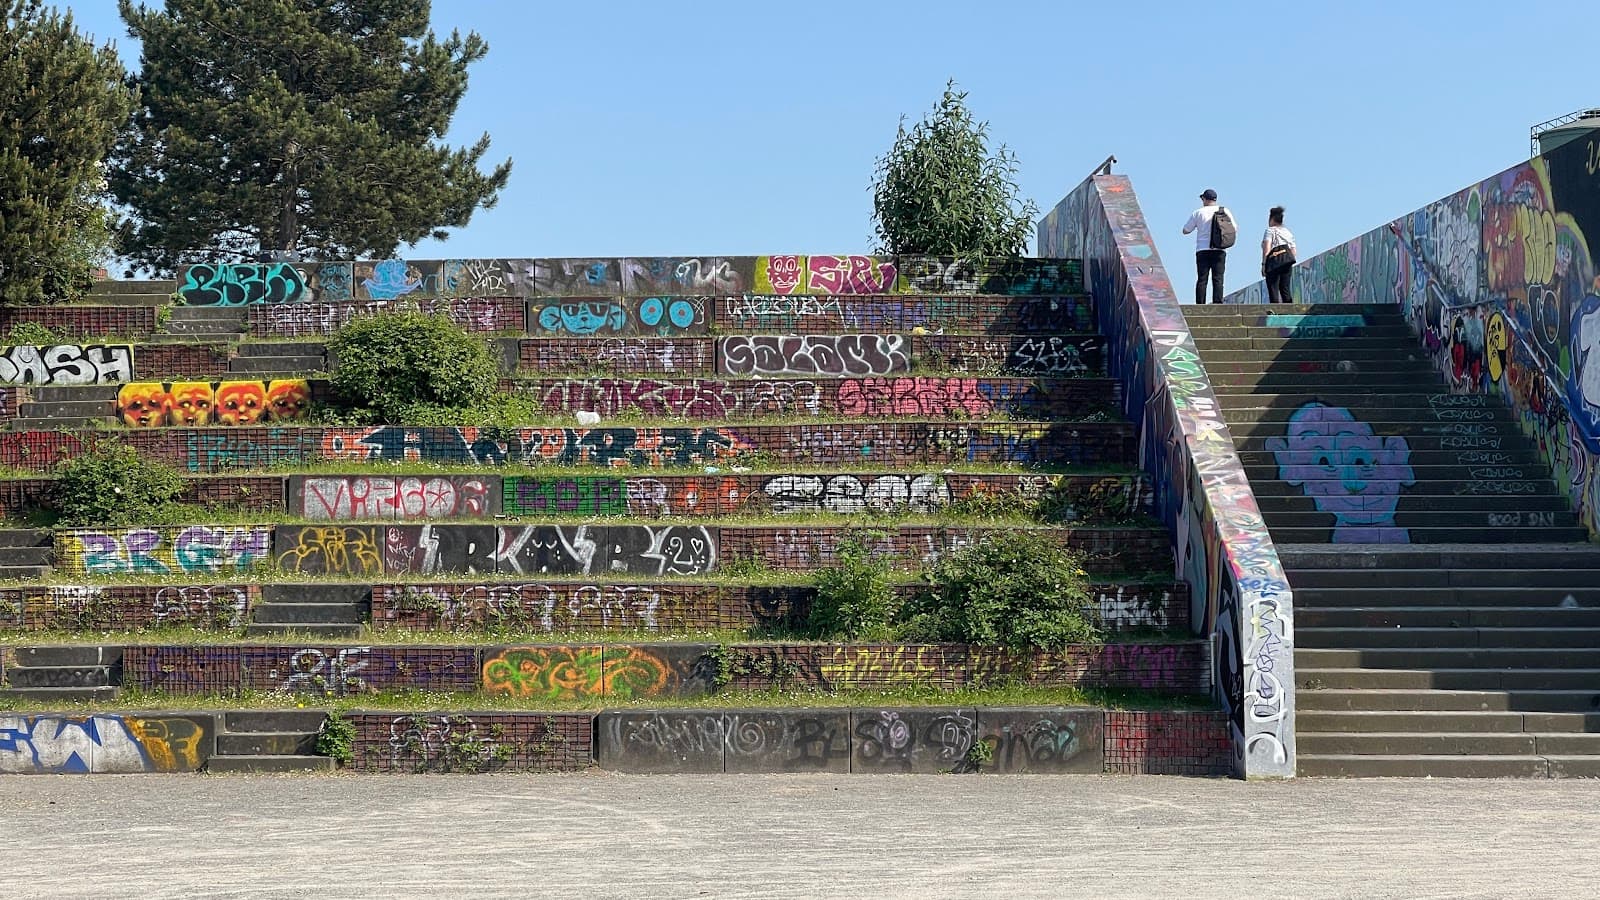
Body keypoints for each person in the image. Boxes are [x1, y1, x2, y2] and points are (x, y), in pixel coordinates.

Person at [1181, 189, 1233, 304]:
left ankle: (1200, 304)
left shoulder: (1198, 213)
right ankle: (1218, 304)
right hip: (1219, 249)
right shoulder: (1224, 211)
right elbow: (1234, 228)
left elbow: (1186, 230)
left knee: (1202, 279)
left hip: (1202, 250)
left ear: (1204, 199)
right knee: (1218, 279)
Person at [1261, 206, 1297, 303]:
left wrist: (1264, 264)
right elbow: (1293, 251)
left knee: (1273, 289)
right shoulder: (1288, 233)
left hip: (1274, 263)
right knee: (1285, 289)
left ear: (1271, 219)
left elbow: (1267, 247)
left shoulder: (1270, 230)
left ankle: (1275, 313)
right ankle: (1289, 312)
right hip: (1287, 263)